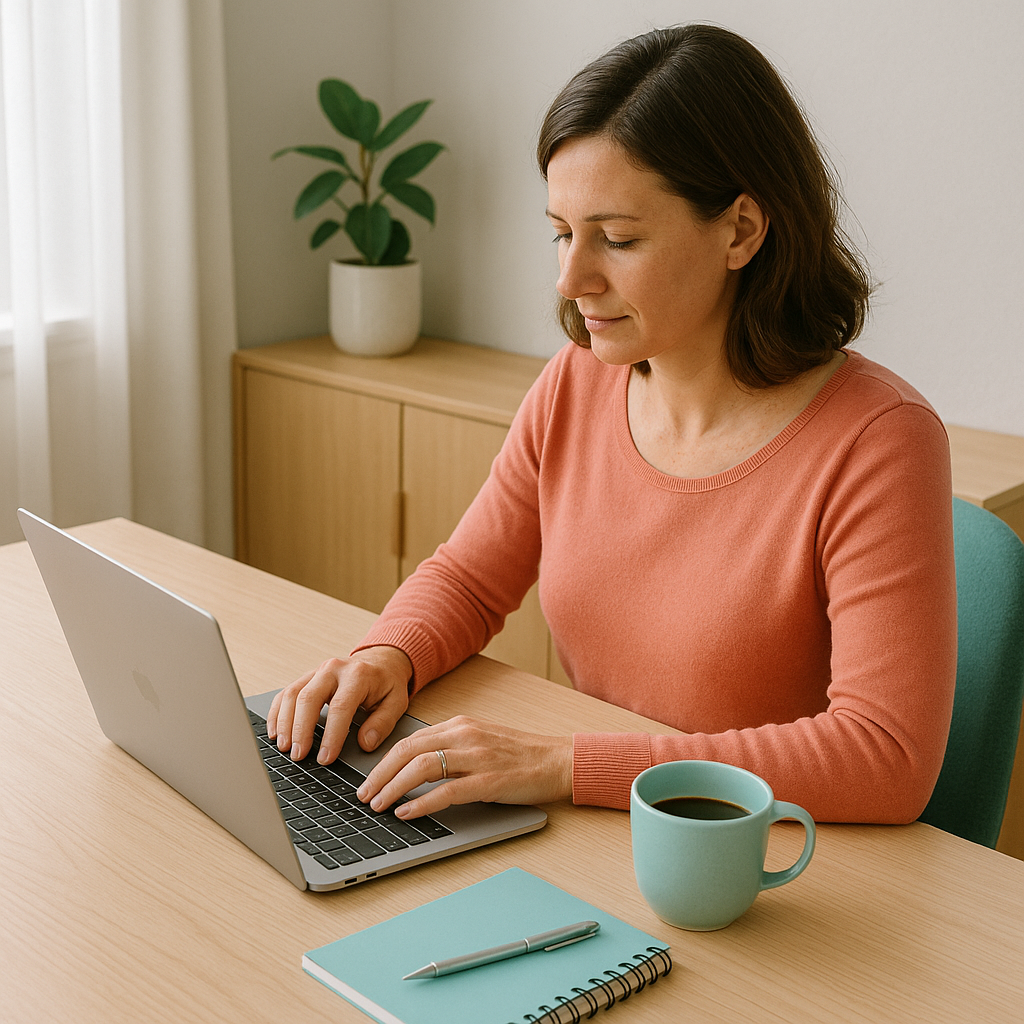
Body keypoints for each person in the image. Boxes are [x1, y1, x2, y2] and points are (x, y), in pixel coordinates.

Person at [267, 24, 957, 825]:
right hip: (606, 827)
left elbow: (884, 757)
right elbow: (469, 578)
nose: (571, 279)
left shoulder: (880, 440)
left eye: (618, 239)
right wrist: (389, 653)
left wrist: (567, 764)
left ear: (741, 230)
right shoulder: (577, 382)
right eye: (562, 233)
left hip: (764, 859)